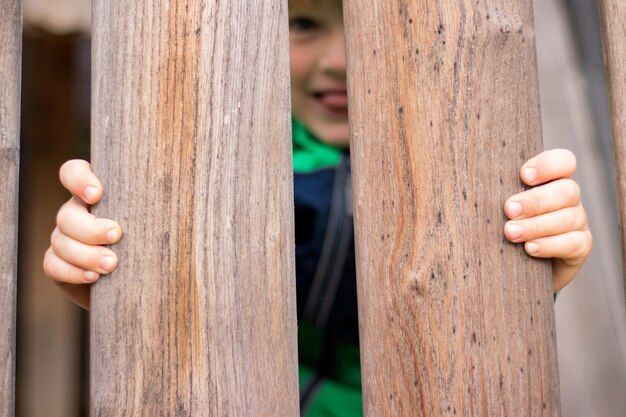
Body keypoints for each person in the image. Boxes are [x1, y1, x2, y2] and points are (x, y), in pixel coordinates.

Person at [43, 0, 592, 415]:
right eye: (304, 23)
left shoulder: (469, 164)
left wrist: (535, 272)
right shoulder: (211, 165)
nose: (339, 61)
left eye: (365, 22)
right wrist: (108, 273)